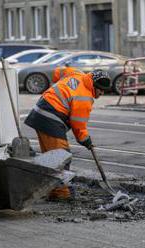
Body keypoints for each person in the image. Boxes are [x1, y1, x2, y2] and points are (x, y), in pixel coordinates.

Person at [24, 69, 111, 199]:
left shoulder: (76, 73)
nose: (102, 93)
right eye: (100, 90)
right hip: (50, 119)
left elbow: (58, 72)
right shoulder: (84, 98)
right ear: (94, 86)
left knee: (51, 157)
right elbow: (78, 126)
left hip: (40, 112)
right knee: (62, 157)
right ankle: (61, 193)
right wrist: (86, 141)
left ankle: (52, 189)